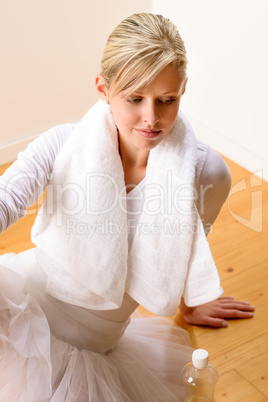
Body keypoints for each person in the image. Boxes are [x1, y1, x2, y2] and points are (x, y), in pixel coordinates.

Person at [0, 12, 254, 401]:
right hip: (22, 305)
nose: (151, 118)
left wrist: (191, 304)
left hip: (95, 342)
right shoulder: (63, 143)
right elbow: (7, 198)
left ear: (183, 89)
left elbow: (188, 243)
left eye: (166, 100)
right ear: (103, 88)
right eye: (134, 99)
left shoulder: (207, 174)